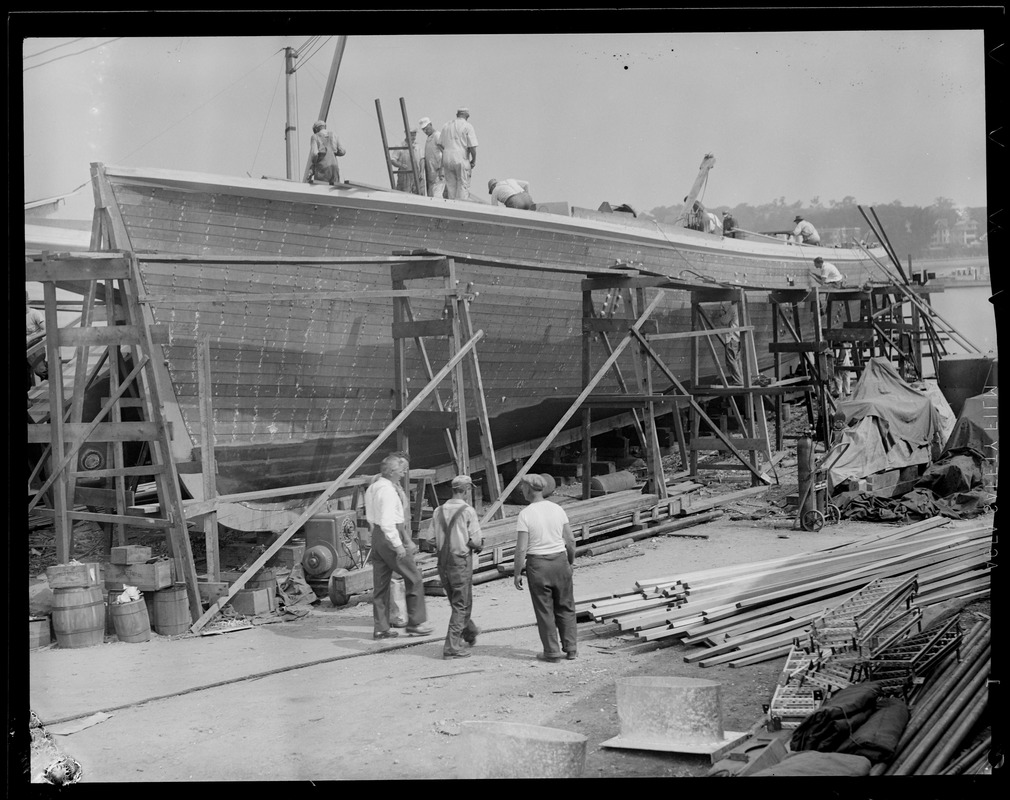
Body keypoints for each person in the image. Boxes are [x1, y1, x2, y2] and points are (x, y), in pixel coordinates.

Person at [364, 452, 433, 639]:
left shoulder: (373, 487)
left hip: (377, 536)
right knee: (414, 577)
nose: (404, 473)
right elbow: (388, 522)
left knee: (381, 586)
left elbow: (371, 517)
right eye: (402, 470)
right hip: (389, 536)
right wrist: (399, 545)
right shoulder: (388, 491)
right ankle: (416, 624)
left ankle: (381, 627)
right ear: (393, 471)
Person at [513, 473, 577, 663]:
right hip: (560, 561)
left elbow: (521, 548)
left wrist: (517, 573)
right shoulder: (557, 509)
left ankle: (552, 652)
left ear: (529, 489)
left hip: (538, 565)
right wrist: (570, 562)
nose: (521, 491)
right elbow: (571, 540)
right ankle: (571, 648)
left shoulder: (525, 514)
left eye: (522, 488)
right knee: (566, 606)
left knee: (544, 609)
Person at [431, 474, 484, 659]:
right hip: (460, 561)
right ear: (466, 490)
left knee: (458, 601)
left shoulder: (438, 511)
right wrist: (477, 545)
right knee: (461, 604)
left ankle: (469, 632)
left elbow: (431, 539)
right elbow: (475, 539)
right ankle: (451, 647)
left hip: (443, 562)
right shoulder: (467, 511)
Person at [438, 107, 478, 200]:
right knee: (463, 185)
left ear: (457, 115)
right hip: (461, 157)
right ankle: (462, 207)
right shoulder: (468, 126)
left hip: (447, 158)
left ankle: (452, 207)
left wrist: (447, 151)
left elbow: (440, 144)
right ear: (466, 115)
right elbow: (472, 147)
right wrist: (474, 160)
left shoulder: (446, 125)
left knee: (451, 186)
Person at [308, 120, 346, 186]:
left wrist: (314, 165)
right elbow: (342, 151)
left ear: (316, 129)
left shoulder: (315, 137)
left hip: (322, 169)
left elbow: (314, 154)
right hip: (334, 169)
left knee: (321, 190)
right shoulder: (334, 135)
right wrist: (333, 152)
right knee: (334, 190)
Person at [418, 117, 445, 199]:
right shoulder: (429, 138)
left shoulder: (437, 136)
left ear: (430, 124)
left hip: (438, 173)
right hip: (430, 175)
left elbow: (445, 152)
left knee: (437, 197)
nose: (425, 131)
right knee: (431, 197)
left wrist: (442, 170)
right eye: (423, 130)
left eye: (426, 128)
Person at [393, 127, 425, 195]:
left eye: (414, 135)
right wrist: (400, 165)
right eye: (412, 135)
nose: (414, 137)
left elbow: (422, 159)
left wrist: (422, 172)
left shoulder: (417, 146)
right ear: (406, 134)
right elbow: (393, 160)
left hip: (417, 174)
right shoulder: (400, 146)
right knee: (404, 194)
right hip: (404, 173)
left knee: (420, 194)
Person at [26, 291, 47, 390]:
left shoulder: (34, 313)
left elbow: (46, 329)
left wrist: (31, 338)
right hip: (27, 349)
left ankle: (54, 374)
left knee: (40, 370)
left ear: (27, 300)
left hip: (36, 345)